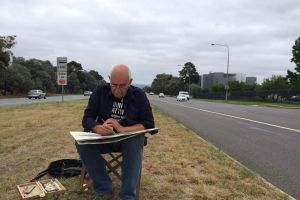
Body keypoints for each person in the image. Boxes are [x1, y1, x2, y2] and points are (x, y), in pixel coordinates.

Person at [76, 64, 155, 200]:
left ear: (130, 82)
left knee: (136, 139)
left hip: (127, 141)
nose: (117, 90)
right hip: (103, 139)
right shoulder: (100, 90)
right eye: (114, 85)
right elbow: (87, 118)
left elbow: (148, 124)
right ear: (109, 79)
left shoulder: (139, 95)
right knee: (81, 143)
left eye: (122, 85)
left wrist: (123, 129)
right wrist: (96, 127)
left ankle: (127, 196)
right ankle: (104, 188)